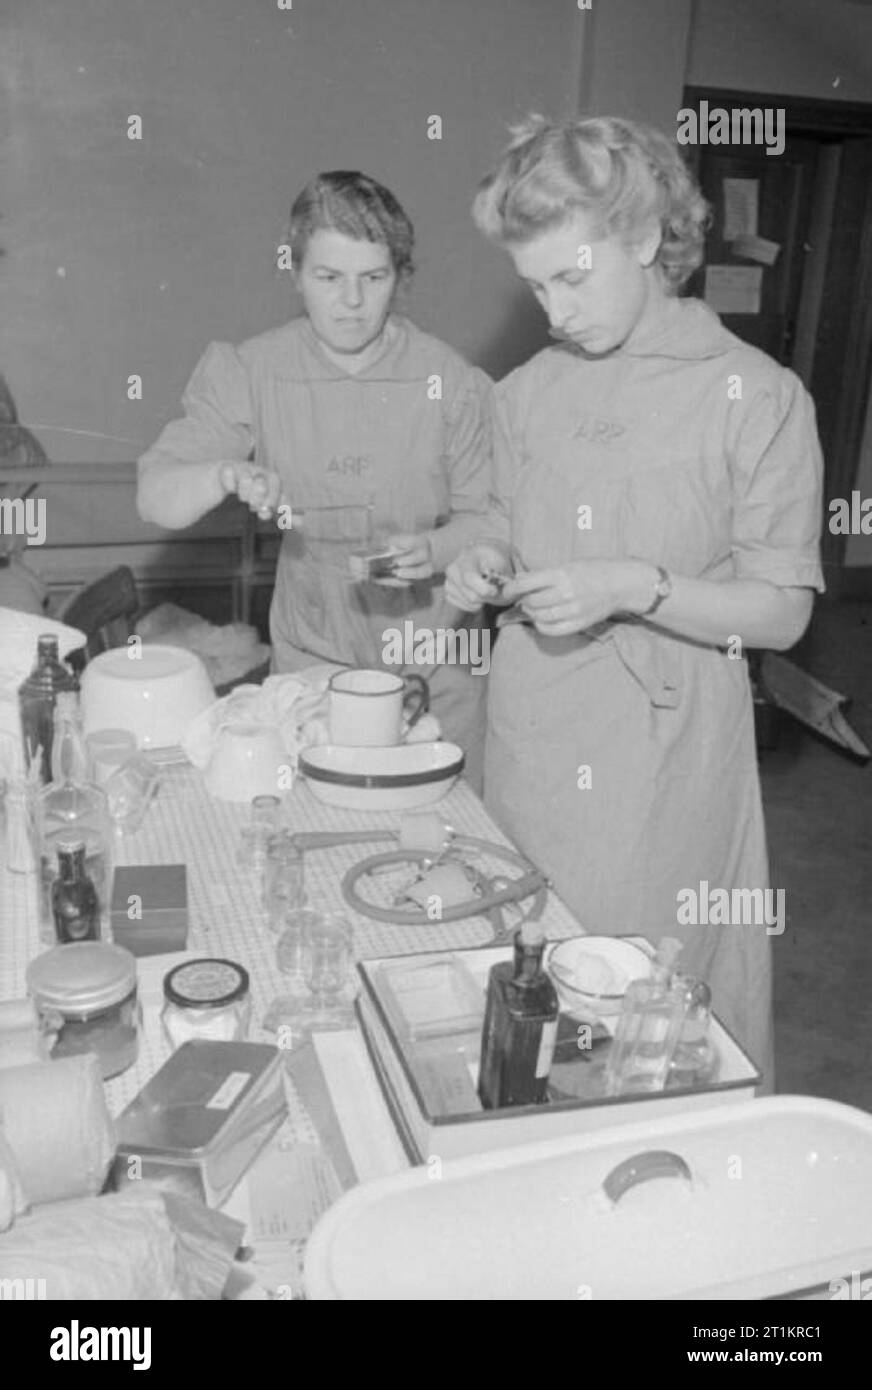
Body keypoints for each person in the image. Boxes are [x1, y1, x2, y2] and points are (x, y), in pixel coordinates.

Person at [446, 116, 825, 1087]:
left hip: (659, 766)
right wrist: (477, 560)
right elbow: (490, 516)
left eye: (571, 277)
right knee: (523, 990)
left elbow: (781, 611)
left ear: (649, 239)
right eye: (533, 286)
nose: (553, 309)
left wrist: (635, 586)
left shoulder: (754, 395)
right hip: (529, 738)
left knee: (631, 1020)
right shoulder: (524, 393)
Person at [137, 172, 491, 788]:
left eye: (373, 278)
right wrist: (221, 473)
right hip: (314, 664)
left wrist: (435, 549)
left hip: (438, 665)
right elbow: (157, 499)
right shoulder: (252, 370)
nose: (351, 302)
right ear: (295, 272)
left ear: (401, 278)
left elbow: (491, 520)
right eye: (328, 277)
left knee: (437, 837)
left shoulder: (450, 382)